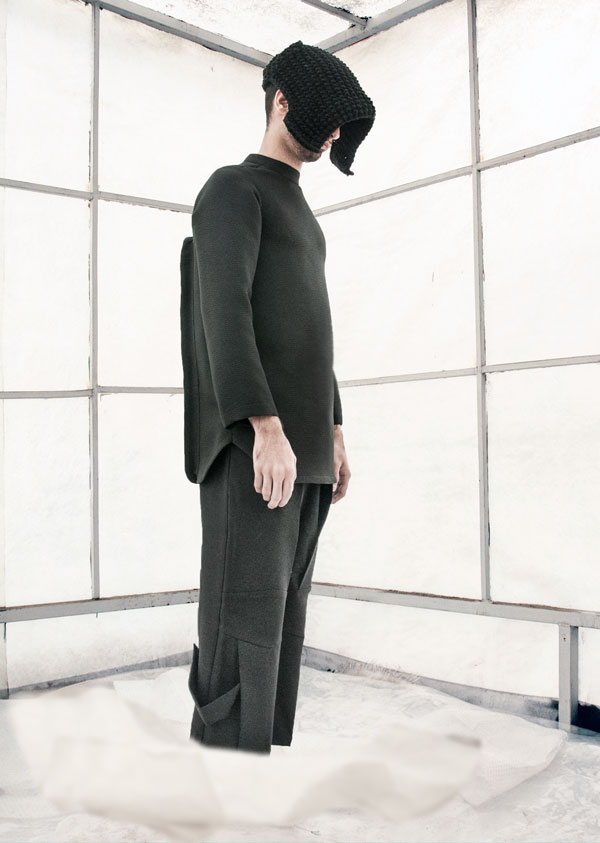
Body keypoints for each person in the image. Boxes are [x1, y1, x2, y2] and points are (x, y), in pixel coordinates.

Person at [179, 39, 376, 754]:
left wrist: (335, 430)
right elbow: (222, 311)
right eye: (325, 117)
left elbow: (309, 329)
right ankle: (222, 766)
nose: (332, 135)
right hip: (254, 445)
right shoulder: (234, 190)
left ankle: (252, 766)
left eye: (341, 125)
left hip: (306, 452)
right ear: (281, 100)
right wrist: (264, 425)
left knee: (284, 615)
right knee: (241, 616)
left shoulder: (301, 210)